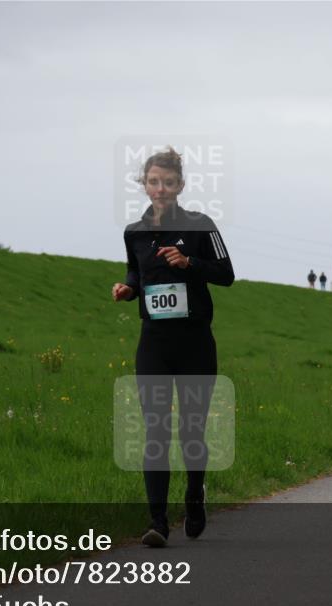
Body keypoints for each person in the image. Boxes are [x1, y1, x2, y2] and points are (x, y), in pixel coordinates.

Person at [112, 146, 235, 547]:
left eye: (167, 182)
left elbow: (226, 274)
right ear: (144, 185)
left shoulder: (202, 226)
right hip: (154, 343)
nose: (160, 188)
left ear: (180, 185)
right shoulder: (134, 232)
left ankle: (194, 496)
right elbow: (137, 272)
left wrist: (189, 264)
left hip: (195, 342)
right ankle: (158, 522)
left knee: (192, 428)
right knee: (155, 430)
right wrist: (127, 288)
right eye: (153, 181)